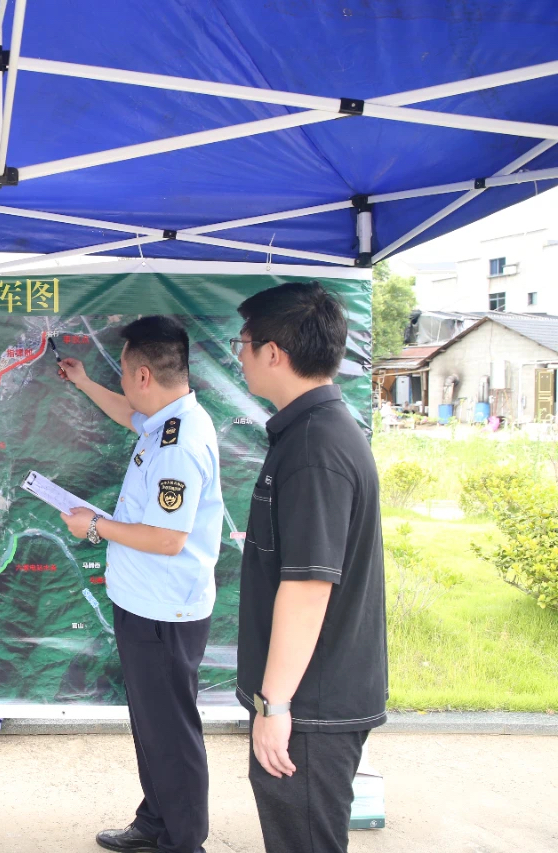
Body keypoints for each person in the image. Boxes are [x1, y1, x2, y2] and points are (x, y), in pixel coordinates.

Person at [232, 282, 387, 853]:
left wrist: (275, 706)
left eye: (243, 344)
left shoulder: (315, 448)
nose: (239, 357)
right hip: (309, 693)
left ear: (273, 352)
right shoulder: (312, 432)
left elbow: (308, 588)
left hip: (309, 703)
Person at [58, 316, 222, 853]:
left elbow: (168, 538)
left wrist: (94, 526)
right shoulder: (165, 422)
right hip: (144, 604)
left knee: (170, 733)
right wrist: (84, 382)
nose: (123, 381)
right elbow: (126, 412)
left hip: (163, 613)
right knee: (154, 727)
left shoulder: (179, 443)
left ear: (144, 375)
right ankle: (156, 822)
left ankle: (183, 842)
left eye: (124, 371)